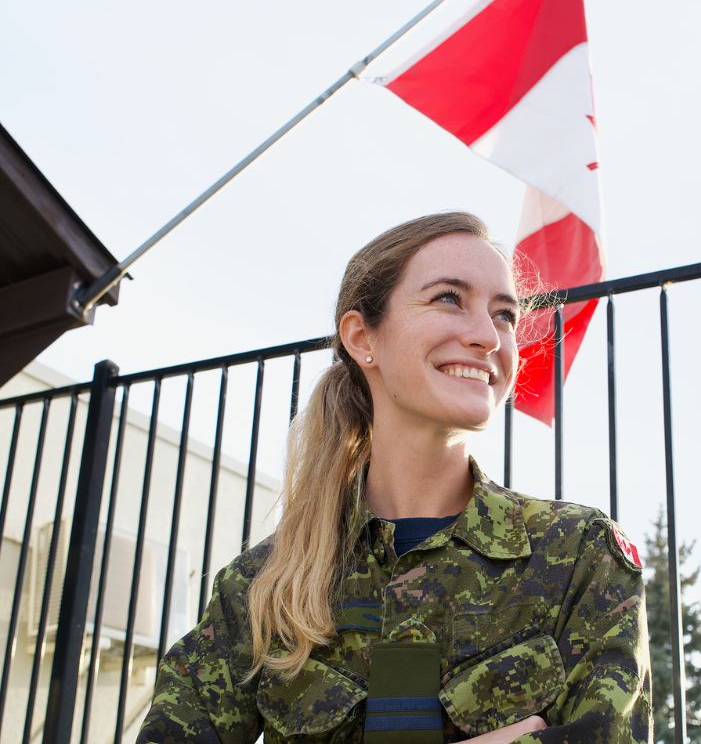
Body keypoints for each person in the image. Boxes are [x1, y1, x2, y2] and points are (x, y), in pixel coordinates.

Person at [138, 212, 652, 743]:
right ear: (363, 337)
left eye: (504, 315)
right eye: (449, 298)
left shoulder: (577, 555)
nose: (487, 337)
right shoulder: (262, 588)